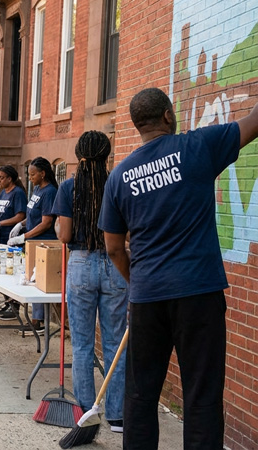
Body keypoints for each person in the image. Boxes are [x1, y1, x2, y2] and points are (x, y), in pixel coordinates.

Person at [99, 87, 258, 449]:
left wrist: (137, 282)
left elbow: (112, 247)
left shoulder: (120, 176)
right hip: (198, 295)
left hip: (147, 298)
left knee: (140, 396)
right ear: (169, 116)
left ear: (137, 125)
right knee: (201, 396)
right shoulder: (198, 147)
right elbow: (253, 122)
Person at [51, 131, 128, 433]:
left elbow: (65, 235)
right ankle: (118, 416)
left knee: (82, 344)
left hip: (81, 263)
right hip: (115, 261)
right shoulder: (118, 183)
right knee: (114, 342)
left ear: (79, 154)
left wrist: (59, 225)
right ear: (107, 155)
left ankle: (86, 411)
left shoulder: (68, 188)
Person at [7, 156, 59, 332]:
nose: (30, 178)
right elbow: (32, 214)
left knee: (40, 281)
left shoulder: (50, 192)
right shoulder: (37, 189)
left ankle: (39, 322)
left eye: (33, 174)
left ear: (43, 174)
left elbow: (46, 222)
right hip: (32, 241)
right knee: (32, 280)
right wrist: (20, 224)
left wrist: (23, 237)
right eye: (29, 174)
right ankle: (37, 319)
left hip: (44, 241)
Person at [0, 165, 27, 320]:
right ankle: (8, 301)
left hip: (11, 238)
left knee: (10, 272)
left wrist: (1, 223)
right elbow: (0, 212)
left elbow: (20, 216)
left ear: (10, 178)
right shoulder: (3, 193)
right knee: (1, 271)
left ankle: (14, 305)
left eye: (1, 177)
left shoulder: (18, 193)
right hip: (0, 237)